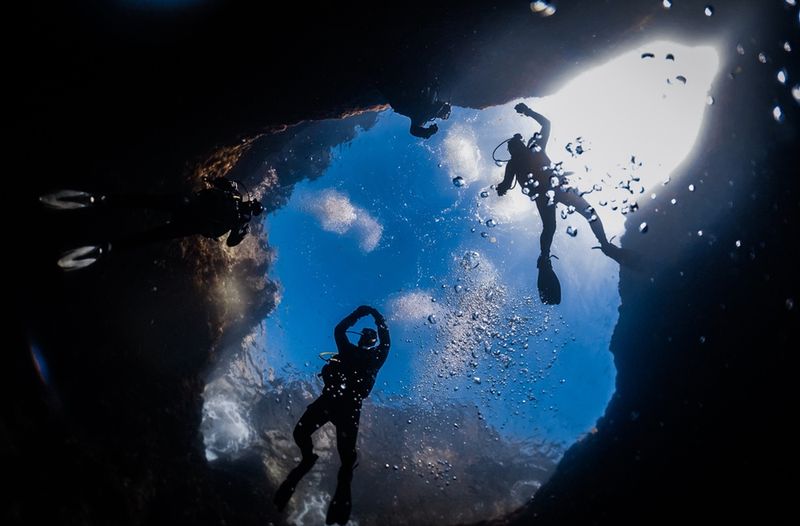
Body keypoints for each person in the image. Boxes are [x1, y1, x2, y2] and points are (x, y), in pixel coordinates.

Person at [496, 102, 632, 304]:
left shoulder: (525, 154)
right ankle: (550, 258)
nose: (514, 148)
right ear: (514, 149)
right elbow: (506, 184)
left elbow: (546, 124)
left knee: (572, 218)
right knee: (567, 220)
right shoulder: (523, 157)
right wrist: (501, 188)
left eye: (514, 145)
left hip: (550, 190)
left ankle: (550, 257)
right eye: (512, 147)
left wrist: (502, 188)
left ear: (518, 146)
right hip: (553, 190)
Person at [274, 305, 390, 525]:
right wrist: (360, 313)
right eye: (366, 333)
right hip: (329, 400)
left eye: (371, 335)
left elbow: (386, 342)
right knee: (300, 433)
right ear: (361, 338)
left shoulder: (376, 357)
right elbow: (339, 330)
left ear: (373, 341)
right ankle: (308, 458)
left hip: (350, 408)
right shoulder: (347, 350)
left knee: (346, 459)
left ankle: (342, 488)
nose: (368, 337)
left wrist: (377, 318)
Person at [41, 176, 263, 270]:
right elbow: (231, 243)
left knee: (148, 202)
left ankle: (101, 200)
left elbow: (213, 182)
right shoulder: (239, 217)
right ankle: (107, 248)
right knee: (151, 235)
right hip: (189, 225)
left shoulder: (234, 195)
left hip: (187, 206)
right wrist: (243, 227)